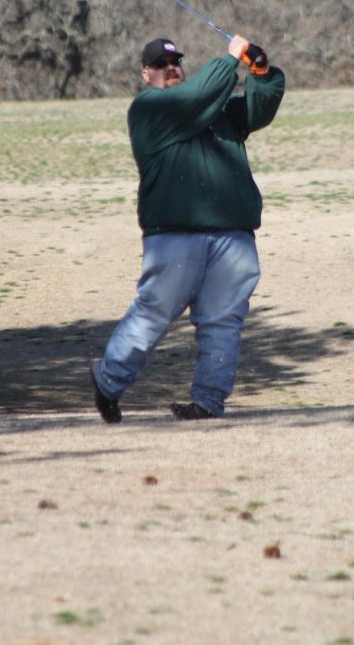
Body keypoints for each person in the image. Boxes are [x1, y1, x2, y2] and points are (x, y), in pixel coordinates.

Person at [89, 32, 285, 422]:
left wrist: (262, 73)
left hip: (233, 232)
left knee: (223, 321)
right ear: (146, 75)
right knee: (154, 313)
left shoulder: (212, 108)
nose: (171, 68)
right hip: (175, 234)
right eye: (161, 65)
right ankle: (108, 381)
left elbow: (258, 109)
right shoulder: (148, 110)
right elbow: (194, 97)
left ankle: (208, 402)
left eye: (176, 61)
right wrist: (230, 60)